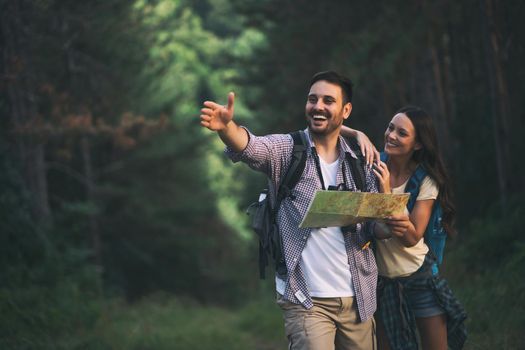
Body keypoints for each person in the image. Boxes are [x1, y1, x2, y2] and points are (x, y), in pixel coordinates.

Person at [200, 71, 387, 350]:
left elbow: (374, 228)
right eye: (312, 99)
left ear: (346, 110)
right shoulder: (289, 151)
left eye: (328, 100)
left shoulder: (361, 161)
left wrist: (390, 221)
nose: (318, 106)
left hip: (358, 297)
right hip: (305, 298)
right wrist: (227, 129)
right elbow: (252, 148)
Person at [343, 106, 467, 350]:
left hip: (419, 277)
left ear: (418, 144)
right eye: (390, 128)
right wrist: (358, 134)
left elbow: (411, 236)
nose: (391, 136)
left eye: (402, 133)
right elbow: (331, 130)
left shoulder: (426, 180)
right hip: (382, 282)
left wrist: (387, 191)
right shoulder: (373, 162)